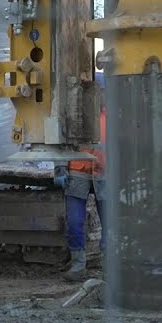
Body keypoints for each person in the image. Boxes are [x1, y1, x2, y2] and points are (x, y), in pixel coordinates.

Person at [59, 103, 107, 282]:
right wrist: (60, 168)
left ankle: (109, 264)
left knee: (110, 224)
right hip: (77, 174)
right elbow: (61, 142)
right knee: (74, 222)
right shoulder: (73, 117)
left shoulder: (112, 118)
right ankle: (78, 264)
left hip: (104, 175)